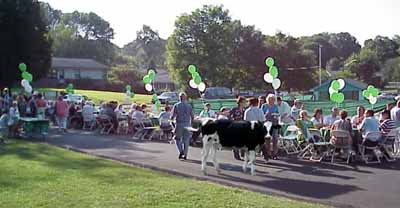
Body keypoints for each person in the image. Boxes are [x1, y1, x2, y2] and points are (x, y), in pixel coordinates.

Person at [170, 92, 194, 160]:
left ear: (179, 98)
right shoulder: (189, 106)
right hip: (187, 124)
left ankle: (181, 151)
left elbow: (172, 116)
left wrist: (172, 122)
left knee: (177, 139)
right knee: (186, 140)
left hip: (179, 123)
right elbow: (192, 116)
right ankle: (185, 154)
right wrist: (191, 124)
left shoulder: (177, 105)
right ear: (185, 98)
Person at [260, 94, 280, 160]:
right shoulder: (264, 106)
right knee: (267, 139)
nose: (272, 101)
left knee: (275, 139)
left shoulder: (275, 106)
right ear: (268, 99)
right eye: (271, 99)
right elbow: (261, 115)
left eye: (273, 99)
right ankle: (267, 153)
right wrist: (266, 114)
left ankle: (275, 154)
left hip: (274, 123)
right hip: (267, 123)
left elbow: (278, 113)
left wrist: (276, 115)